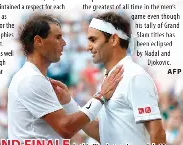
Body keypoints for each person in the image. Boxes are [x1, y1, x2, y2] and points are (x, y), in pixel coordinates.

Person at [52, 11, 166, 145]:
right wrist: (68, 102)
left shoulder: (135, 77)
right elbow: (103, 134)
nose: (88, 47)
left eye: (93, 40)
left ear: (113, 39)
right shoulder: (109, 79)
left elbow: (157, 134)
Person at [7, 13, 123, 142]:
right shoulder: (31, 79)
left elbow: (98, 133)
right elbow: (66, 129)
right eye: (58, 37)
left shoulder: (34, 77)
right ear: (38, 41)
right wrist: (101, 96)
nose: (64, 43)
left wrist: (69, 103)